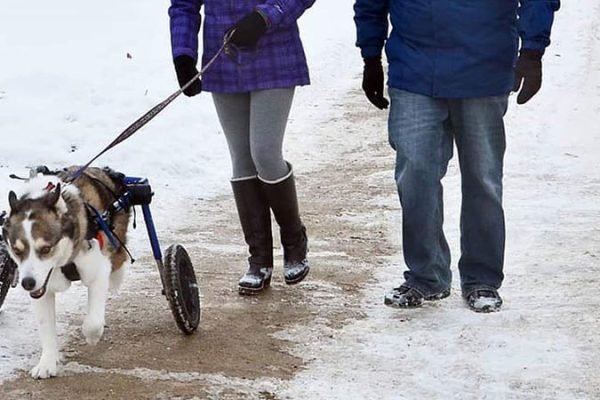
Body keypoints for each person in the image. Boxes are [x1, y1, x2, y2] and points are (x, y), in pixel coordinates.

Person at [354, 0, 560, 312]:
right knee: (415, 174)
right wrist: (370, 55)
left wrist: (532, 51)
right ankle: (427, 275)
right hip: (414, 71)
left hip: (485, 71)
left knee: (482, 178)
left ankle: (482, 279)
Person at [168, 0, 315, 295]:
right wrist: (183, 56)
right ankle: (259, 258)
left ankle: (293, 239)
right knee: (242, 156)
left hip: (275, 52)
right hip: (223, 56)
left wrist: (266, 17)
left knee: (264, 151)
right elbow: (183, 5)